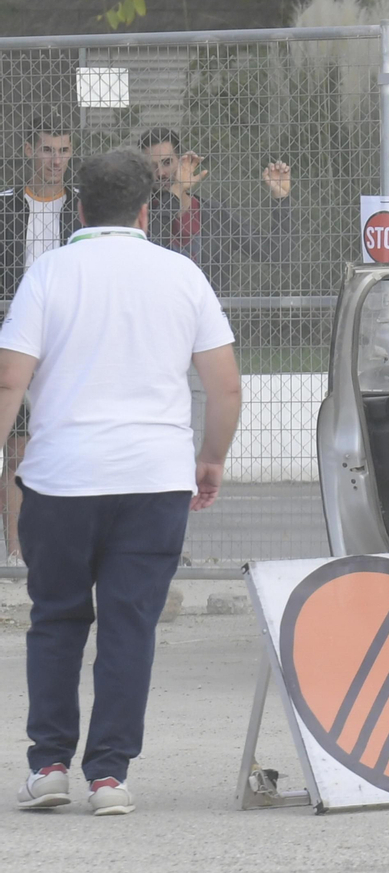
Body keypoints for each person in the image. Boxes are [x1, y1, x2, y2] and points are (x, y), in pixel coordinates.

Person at [5, 150, 241, 815]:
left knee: (55, 619)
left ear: (78, 208)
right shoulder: (182, 274)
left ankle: (49, 764)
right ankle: (109, 775)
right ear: (145, 209)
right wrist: (211, 455)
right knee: (129, 623)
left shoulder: (47, 273)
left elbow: (9, 379)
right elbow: (224, 385)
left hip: (59, 478)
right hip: (154, 478)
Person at [0, 117, 77, 560]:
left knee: (63, 448)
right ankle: (14, 553)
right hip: (16, 338)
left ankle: (60, 548)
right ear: (29, 150)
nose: (56, 160)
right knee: (18, 451)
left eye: (63, 150)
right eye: (48, 150)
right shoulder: (7, 205)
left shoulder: (83, 206)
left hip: (66, 339)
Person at [138, 127, 297, 296]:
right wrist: (176, 190)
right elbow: (153, 245)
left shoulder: (215, 215)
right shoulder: (142, 218)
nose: (161, 173)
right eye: (152, 166)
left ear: (182, 162)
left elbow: (278, 255)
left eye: (167, 163)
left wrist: (281, 199)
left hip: (210, 317)